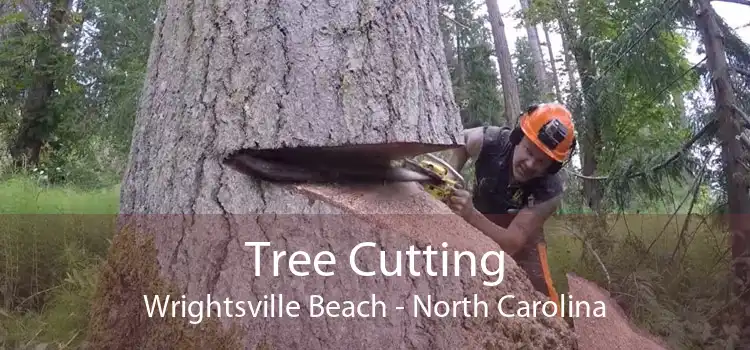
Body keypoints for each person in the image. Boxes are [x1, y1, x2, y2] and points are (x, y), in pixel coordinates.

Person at [444, 103, 577, 312]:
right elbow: (462, 140)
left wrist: (470, 214)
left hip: (520, 237)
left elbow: (513, 243)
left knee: (541, 292)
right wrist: (450, 176)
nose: (531, 164)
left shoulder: (549, 192)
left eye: (541, 162)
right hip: (478, 218)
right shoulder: (490, 140)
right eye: (529, 151)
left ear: (552, 167)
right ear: (517, 138)